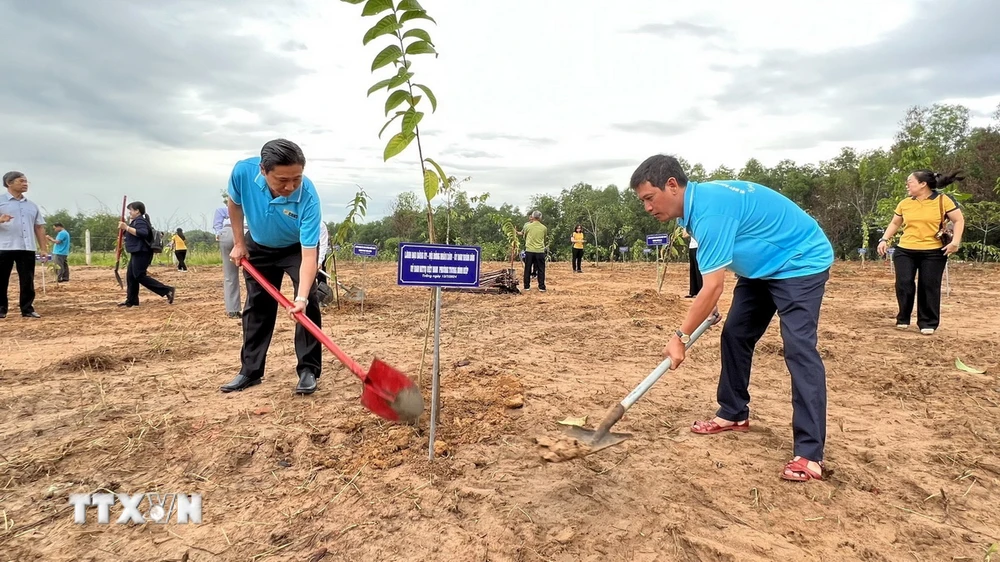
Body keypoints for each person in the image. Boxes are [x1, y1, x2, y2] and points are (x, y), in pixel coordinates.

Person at [630, 154, 834, 482]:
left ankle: (809, 454)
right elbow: (714, 271)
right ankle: (733, 413)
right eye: (643, 202)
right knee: (736, 334)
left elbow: (711, 286)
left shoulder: (711, 210)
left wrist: (680, 337)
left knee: (799, 349)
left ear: (671, 185)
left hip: (799, 261)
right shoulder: (693, 210)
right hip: (760, 270)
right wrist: (705, 302)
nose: (648, 208)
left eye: (649, 198)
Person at [219, 139, 323, 396]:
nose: (290, 186)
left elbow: (309, 255)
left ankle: (308, 370)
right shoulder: (243, 171)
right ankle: (250, 371)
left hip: (296, 248)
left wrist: (299, 298)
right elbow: (234, 203)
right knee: (257, 306)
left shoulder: (308, 196)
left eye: (296, 179)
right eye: (282, 180)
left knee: (308, 301)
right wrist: (239, 243)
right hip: (260, 245)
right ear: (263, 171)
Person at [876, 170, 965, 335]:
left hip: (933, 251)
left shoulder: (943, 200)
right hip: (905, 250)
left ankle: (928, 322)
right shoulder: (905, 203)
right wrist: (884, 239)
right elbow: (895, 223)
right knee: (904, 283)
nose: (907, 185)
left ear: (923, 184)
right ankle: (903, 317)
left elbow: (958, 220)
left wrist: (955, 242)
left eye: (910, 182)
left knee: (929, 285)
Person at [0, 171, 48, 318]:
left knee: (27, 280)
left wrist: (43, 248)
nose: (25, 184)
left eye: (26, 181)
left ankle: (27, 309)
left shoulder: (32, 206)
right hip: (4, 247)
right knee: (1, 279)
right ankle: (1, 309)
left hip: (27, 247)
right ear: (9, 183)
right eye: (21, 181)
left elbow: (39, 227)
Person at [118, 201, 176, 308]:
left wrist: (126, 228)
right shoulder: (135, 221)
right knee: (131, 276)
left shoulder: (140, 221)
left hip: (142, 252)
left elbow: (142, 233)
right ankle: (131, 300)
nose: (129, 212)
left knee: (139, 276)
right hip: (137, 252)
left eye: (131, 210)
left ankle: (167, 290)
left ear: (137, 211)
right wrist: (125, 230)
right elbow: (132, 235)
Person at [214, 193, 242, 318]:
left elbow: (217, 227)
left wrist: (219, 234)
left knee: (230, 274)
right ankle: (255, 307)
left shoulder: (221, 210)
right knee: (253, 274)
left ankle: (232, 310)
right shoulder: (248, 207)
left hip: (227, 233)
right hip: (246, 231)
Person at [517, 210, 547, 291]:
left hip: (529, 250)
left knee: (527, 268)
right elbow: (544, 238)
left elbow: (524, 236)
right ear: (540, 218)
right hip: (540, 251)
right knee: (541, 269)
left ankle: (526, 286)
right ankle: (541, 287)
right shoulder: (544, 228)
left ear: (532, 217)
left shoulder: (527, 226)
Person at [681, 227, 702, 298]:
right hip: (692, 247)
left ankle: (701, 291)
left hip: (699, 247)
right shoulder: (690, 225)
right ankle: (693, 292)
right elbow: (684, 235)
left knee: (698, 269)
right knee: (692, 269)